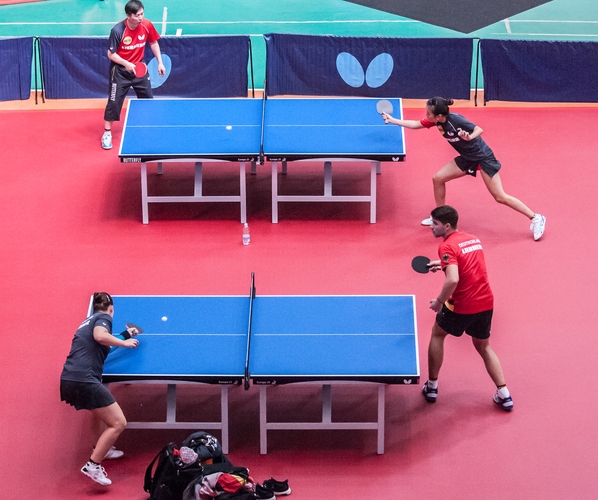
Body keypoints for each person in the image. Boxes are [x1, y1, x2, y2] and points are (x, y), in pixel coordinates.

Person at [382, 97, 546, 241]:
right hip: (467, 158)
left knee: (499, 196)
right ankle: (439, 217)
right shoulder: (436, 121)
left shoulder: (455, 120)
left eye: (428, 113)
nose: (426, 116)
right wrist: (393, 120)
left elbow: (478, 129)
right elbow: (416, 124)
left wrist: (469, 137)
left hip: (483, 158)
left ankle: (536, 217)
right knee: (438, 178)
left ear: (439, 115)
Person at [422, 205, 513, 411]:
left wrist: (438, 301)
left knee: (437, 334)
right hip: (486, 302)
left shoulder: (446, 246)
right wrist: (442, 264)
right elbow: (467, 262)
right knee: (484, 346)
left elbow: (452, 279)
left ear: (446, 226)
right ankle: (504, 393)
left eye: (434, 224)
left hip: (462, 304)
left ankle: (432, 387)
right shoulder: (473, 239)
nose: (431, 227)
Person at [60, 292, 141, 486]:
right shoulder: (103, 317)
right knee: (118, 423)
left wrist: (123, 335)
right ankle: (93, 465)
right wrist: (124, 342)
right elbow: (100, 336)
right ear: (111, 309)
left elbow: (102, 344)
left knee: (99, 412)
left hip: (70, 379)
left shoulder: (87, 321)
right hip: (85, 380)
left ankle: (102, 448)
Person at [101, 0, 165, 150]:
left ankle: (149, 128)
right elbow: (111, 54)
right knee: (114, 102)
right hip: (120, 72)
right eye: (137, 15)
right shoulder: (118, 30)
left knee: (148, 100)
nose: (141, 17)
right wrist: (126, 64)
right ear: (129, 16)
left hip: (139, 69)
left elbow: (153, 42)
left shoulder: (147, 25)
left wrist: (160, 62)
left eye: (142, 14)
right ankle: (107, 133)